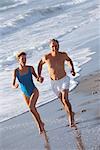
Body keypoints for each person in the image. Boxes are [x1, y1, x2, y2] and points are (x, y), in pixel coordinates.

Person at [37, 39, 76, 127]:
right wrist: (39, 76)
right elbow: (40, 64)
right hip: (54, 83)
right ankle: (71, 113)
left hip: (64, 80)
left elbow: (69, 60)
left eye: (56, 46)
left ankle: (71, 119)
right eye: (53, 46)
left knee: (65, 99)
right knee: (62, 101)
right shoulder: (47, 57)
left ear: (59, 46)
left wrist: (72, 69)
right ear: (50, 47)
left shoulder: (63, 55)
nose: (55, 48)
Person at [12, 51, 45, 134]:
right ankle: (41, 123)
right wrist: (15, 85)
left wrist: (40, 79)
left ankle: (39, 126)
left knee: (31, 107)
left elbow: (37, 78)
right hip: (25, 94)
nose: (24, 60)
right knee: (33, 110)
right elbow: (13, 84)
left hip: (34, 90)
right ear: (18, 60)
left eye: (25, 58)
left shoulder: (30, 68)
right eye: (22, 59)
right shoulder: (16, 71)